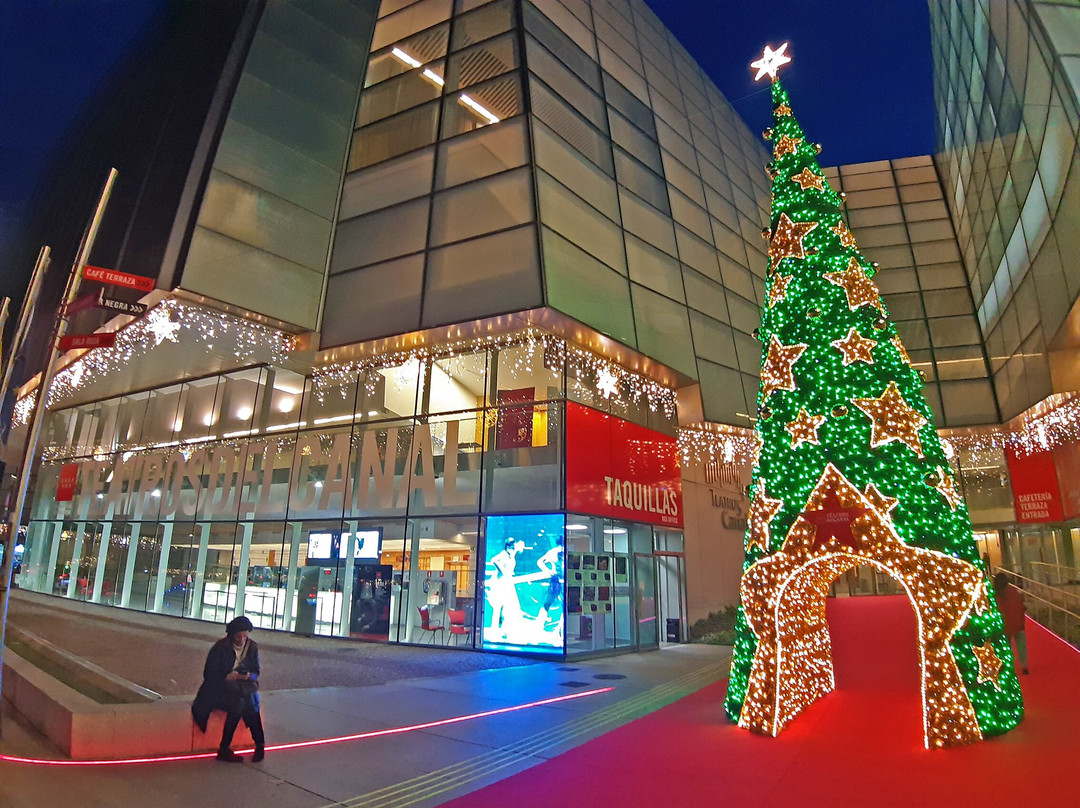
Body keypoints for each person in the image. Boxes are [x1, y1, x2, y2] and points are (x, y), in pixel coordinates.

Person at [191, 615, 266, 762]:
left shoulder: (251, 647)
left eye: (245, 636)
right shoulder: (220, 648)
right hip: (220, 688)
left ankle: (255, 745)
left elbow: (256, 672)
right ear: (232, 635)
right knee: (241, 703)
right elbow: (209, 674)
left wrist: (247, 676)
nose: (242, 640)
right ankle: (231, 747)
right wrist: (226, 676)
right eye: (239, 637)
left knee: (250, 702)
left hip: (242, 687)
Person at [486, 538, 525, 636]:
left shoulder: (511, 554)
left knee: (508, 606)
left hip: (507, 581)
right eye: (511, 546)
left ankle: (504, 628)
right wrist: (502, 571)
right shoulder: (504, 554)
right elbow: (493, 560)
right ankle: (494, 628)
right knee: (499, 605)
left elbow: (519, 548)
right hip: (501, 582)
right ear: (507, 546)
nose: (513, 547)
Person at [993, 572, 1028, 674]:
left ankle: (1009, 665)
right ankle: (1024, 665)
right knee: (1021, 645)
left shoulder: (996, 594)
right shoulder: (1013, 591)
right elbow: (1019, 605)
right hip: (1017, 622)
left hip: (1005, 624)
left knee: (1006, 646)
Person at [536, 541, 565, 628]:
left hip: (562, 581)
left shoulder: (562, 552)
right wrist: (548, 571)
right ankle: (539, 624)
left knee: (563, 605)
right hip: (556, 581)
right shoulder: (553, 552)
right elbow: (540, 562)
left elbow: (540, 562)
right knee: (548, 603)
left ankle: (560, 629)